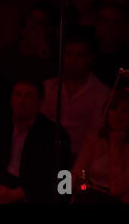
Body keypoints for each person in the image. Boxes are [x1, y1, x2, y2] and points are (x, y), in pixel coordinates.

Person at [0, 79, 70, 204]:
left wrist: (20, 193)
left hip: (31, 193)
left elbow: (53, 177)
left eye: (28, 96)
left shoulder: (53, 133)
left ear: (40, 101)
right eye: (17, 95)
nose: (21, 101)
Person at [41, 28, 110, 160]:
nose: (73, 61)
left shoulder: (102, 93)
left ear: (90, 59)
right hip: (46, 154)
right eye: (68, 54)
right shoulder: (48, 87)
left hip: (81, 158)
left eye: (79, 55)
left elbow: (96, 134)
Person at [72, 90, 129, 203]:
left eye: (124, 111)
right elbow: (78, 172)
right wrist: (81, 186)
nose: (117, 115)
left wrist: (115, 145)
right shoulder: (96, 137)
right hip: (90, 196)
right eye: (113, 109)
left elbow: (118, 189)